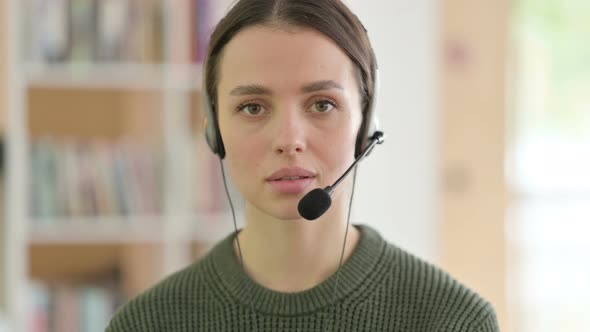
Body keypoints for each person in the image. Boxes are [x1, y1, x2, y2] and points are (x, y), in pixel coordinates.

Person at [107, 0, 499, 331]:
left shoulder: (453, 321)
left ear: (366, 124)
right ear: (214, 130)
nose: (289, 140)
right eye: (253, 107)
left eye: (322, 104)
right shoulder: (146, 323)